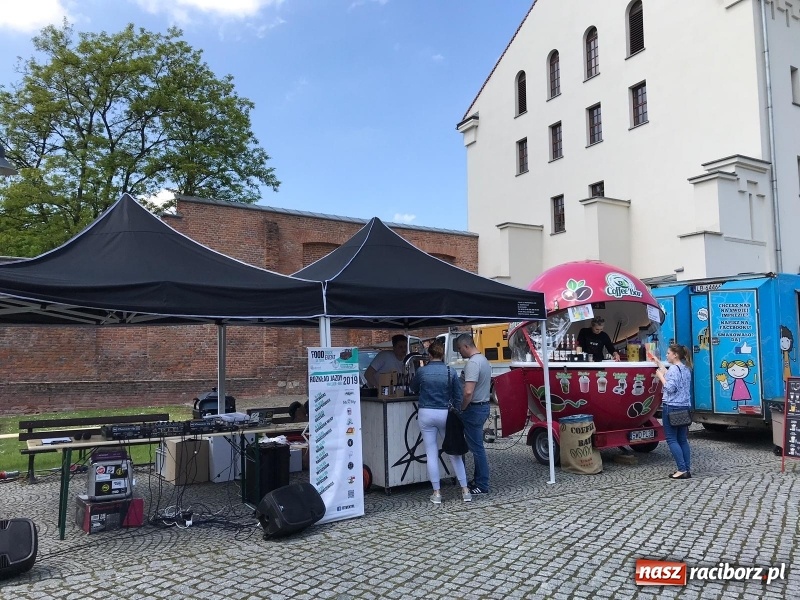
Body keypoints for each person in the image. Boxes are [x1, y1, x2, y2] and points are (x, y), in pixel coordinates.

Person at [409, 342, 472, 504]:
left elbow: (413, 388)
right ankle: (465, 490)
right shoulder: (450, 371)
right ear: (442, 355)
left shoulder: (422, 371)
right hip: (445, 413)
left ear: (429, 355)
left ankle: (436, 493)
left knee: (431, 453)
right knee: (454, 452)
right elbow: (458, 395)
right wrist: (458, 412)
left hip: (426, 412)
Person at [455, 333, 492, 496]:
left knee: (477, 449)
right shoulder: (483, 360)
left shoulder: (473, 363)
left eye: (459, 349)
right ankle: (478, 480)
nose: (459, 352)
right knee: (477, 447)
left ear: (466, 346)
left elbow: (468, 392)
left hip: (474, 409)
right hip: (483, 406)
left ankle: (482, 484)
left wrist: (462, 408)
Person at [649, 344, 693, 479]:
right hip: (684, 407)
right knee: (682, 439)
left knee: (671, 439)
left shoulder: (673, 369)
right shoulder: (686, 368)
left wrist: (659, 376)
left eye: (668, 353)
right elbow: (671, 376)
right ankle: (687, 468)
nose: (667, 355)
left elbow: (670, 388)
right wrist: (658, 362)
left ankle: (681, 469)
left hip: (672, 407)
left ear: (675, 355)